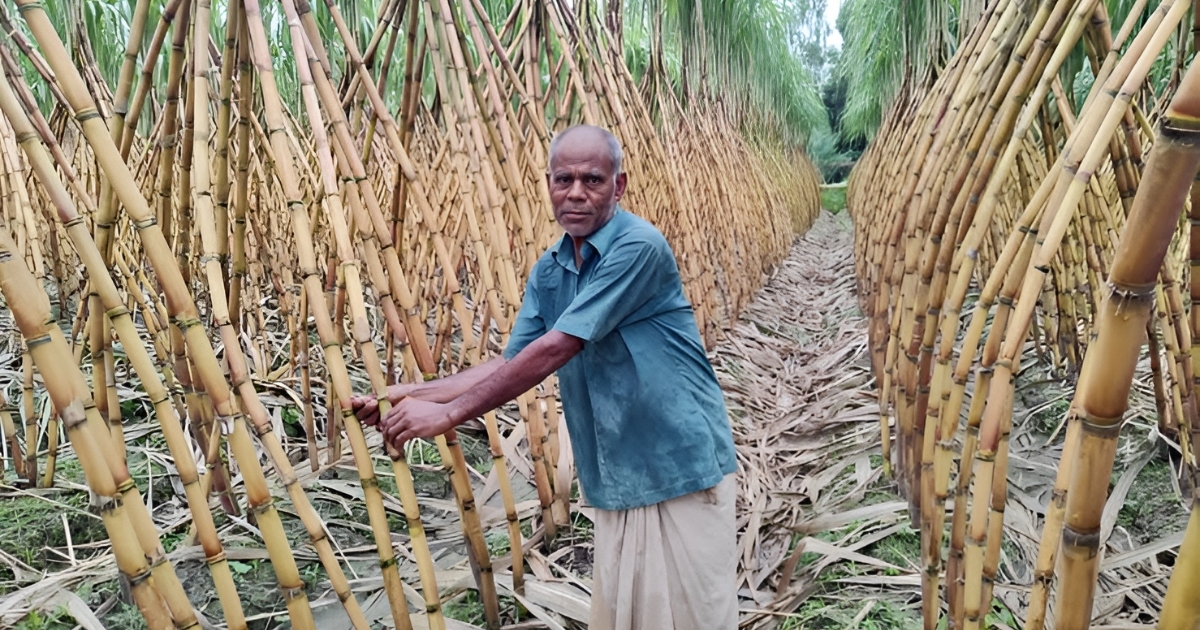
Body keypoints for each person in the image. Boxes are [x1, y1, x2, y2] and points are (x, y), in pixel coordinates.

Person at [351, 124, 739, 629]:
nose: (576, 192)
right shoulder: (551, 270)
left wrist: (445, 415)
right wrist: (409, 393)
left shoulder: (638, 247)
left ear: (618, 187)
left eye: (592, 180)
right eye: (564, 179)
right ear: (549, 184)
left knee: (692, 617)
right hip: (618, 470)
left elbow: (560, 346)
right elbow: (511, 361)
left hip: (677, 463)